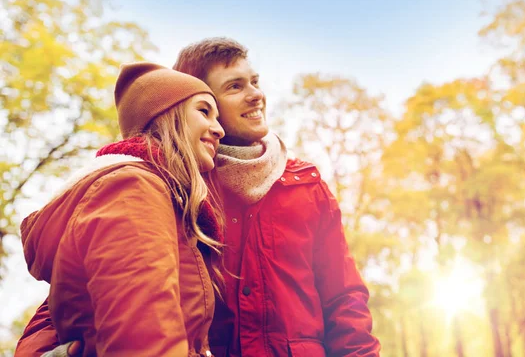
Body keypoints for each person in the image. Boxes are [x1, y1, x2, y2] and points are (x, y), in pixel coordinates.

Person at [17, 38, 381, 356]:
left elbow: (344, 299)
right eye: (235, 87)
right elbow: (87, 290)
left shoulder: (305, 185)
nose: (256, 95)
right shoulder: (172, 188)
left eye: (255, 82)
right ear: (190, 102)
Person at [16, 62, 225, 356]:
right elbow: (145, 339)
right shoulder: (133, 189)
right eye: (204, 111)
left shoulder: (152, 194)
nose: (219, 129)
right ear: (166, 115)